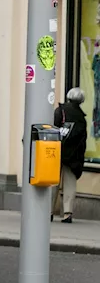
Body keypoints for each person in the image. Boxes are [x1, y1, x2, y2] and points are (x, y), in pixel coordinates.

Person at [54, 87, 88, 224]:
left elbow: (52, 129)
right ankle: (67, 213)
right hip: (72, 156)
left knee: (52, 182)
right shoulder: (81, 118)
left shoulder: (60, 111)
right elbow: (82, 141)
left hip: (56, 152)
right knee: (70, 184)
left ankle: (48, 211)